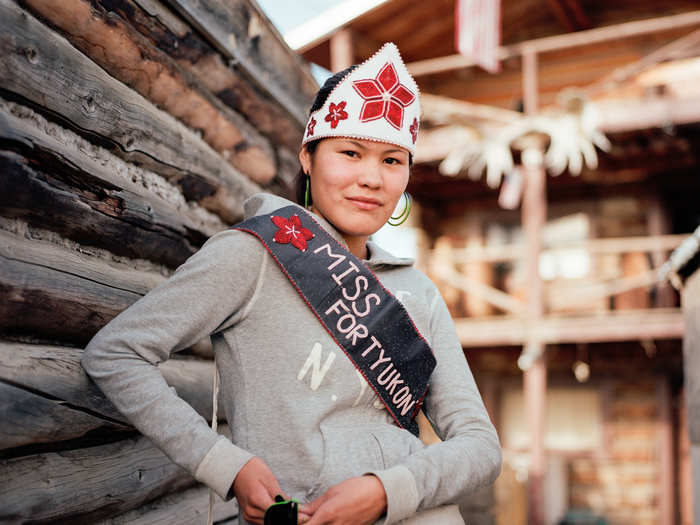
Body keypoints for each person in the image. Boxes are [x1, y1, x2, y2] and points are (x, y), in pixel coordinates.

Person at [82, 42, 501, 525]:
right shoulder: (253, 255)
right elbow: (115, 354)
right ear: (308, 157)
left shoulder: (419, 291)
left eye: (391, 161)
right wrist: (226, 466)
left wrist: (388, 490)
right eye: (349, 152)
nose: (371, 178)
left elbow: (479, 446)